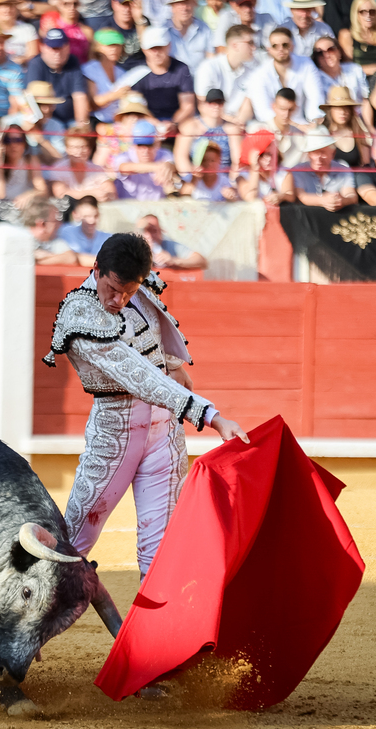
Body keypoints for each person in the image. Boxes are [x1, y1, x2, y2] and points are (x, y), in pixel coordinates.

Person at [43, 233, 246, 581]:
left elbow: (149, 328)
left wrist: (173, 362)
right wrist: (210, 415)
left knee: (162, 548)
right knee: (71, 545)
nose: (119, 300)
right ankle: (15, 622)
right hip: (115, 435)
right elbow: (140, 377)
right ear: (96, 269)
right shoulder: (80, 314)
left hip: (164, 431)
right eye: (112, 289)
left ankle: (158, 634)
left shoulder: (137, 285)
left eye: (130, 292)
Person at [247, 26, 325, 123]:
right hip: (270, 126)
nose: (280, 49)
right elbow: (263, 112)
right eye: (275, 46)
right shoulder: (259, 75)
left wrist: (314, 123)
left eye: (285, 45)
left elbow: (315, 98)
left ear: (292, 46)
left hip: (301, 125)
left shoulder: (306, 64)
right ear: (269, 49)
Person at [132, 27, 197, 132]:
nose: (156, 52)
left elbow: (188, 105)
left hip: (178, 124)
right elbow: (134, 107)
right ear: (144, 50)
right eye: (152, 48)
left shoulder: (181, 69)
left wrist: (173, 123)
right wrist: (155, 124)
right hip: (146, 123)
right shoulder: (136, 71)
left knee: (189, 128)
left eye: (160, 47)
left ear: (168, 46)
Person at [282, 125, 358, 209]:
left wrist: (342, 200)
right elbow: (302, 196)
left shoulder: (343, 169)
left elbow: (351, 196)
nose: (318, 158)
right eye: (314, 152)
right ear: (308, 155)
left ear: (332, 153)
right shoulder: (298, 170)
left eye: (322, 152)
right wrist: (324, 200)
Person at [0, 124, 47, 221]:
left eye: (18, 140)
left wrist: (28, 195)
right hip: (1, 212)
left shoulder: (30, 160)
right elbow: (0, 195)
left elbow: (43, 190)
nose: (13, 145)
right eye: (8, 141)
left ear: (24, 143)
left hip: (24, 209)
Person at [27, 28, 92, 126]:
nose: (57, 52)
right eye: (53, 48)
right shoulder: (36, 64)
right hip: (45, 122)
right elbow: (32, 100)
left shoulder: (73, 62)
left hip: (70, 122)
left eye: (60, 47)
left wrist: (81, 125)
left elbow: (79, 96)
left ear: (68, 47)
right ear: (43, 48)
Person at [195, 24, 258, 123]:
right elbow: (203, 105)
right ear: (234, 45)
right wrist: (233, 122)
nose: (254, 47)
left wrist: (239, 122)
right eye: (250, 43)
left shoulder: (251, 73)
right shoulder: (208, 67)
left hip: (239, 124)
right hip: (213, 123)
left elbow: (247, 107)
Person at [175, 88, 241, 177]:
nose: (216, 106)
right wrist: (190, 178)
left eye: (220, 103)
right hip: (197, 178)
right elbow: (181, 157)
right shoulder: (190, 127)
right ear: (204, 105)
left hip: (224, 178)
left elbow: (237, 161)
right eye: (212, 103)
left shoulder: (232, 129)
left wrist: (232, 181)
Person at [312, 36, 372, 127]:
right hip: (329, 125)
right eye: (320, 53)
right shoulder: (314, 77)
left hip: (358, 122)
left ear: (339, 52)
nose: (326, 55)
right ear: (316, 57)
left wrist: (369, 128)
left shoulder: (355, 69)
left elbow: (365, 101)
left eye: (331, 50)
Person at [46, 126, 117, 201]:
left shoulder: (97, 169)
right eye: (73, 147)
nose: (79, 151)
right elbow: (60, 194)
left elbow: (111, 193)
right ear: (66, 149)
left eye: (83, 147)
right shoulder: (58, 169)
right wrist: (91, 194)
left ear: (89, 149)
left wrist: (105, 195)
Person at [112, 121, 180, 198]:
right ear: (134, 145)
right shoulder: (125, 155)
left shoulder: (164, 153)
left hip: (157, 207)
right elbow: (124, 168)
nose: (145, 150)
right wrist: (159, 167)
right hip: (128, 207)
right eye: (140, 145)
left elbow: (175, 166)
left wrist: (169, 167)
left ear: (157, 143)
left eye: (149, 145)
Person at [85, 28, 132, 123]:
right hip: (96, 122)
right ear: (98, 46)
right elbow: (91, 105)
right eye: (109, 45)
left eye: (117, 45)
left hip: (118, 123)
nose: (114, 49)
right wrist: (115, 95)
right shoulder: (89, 69)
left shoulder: (122, 72)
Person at [21, 193, 79, 264]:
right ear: (41, 224)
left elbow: (71, 258)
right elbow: (19, 259)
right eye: (55, 221)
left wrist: (42, 258)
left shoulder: (54, 240)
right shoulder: (19, 239)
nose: (60, 224)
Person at [320, 85, 369, 166]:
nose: (342, 112)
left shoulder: (359, 132)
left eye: (346, 107)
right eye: (338, 108)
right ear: (330, 110)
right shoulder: (322, 134)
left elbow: (365, 163)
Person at [237, 129, 292, 199]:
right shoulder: (243, 176)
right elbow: (250, 198)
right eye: (262, 155)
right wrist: (254, 168)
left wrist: (280, 197)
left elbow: (290, 196)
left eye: (270, 154)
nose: (268, 159)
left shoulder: (284, 172)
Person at [166, 0, 215, 72]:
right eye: (180, 4)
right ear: (172, 7)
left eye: (187, 3)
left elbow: (211, 57)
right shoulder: (163, 30)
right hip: (173, 79)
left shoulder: (205, 29)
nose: (184, 8)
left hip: (199, 78)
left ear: (194, 5)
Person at [339, 0, 376, 74]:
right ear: (356, 14)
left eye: (372, 11)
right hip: (359, 81)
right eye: (363, 12)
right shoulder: (347, 35)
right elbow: (347, 68)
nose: (368, 15)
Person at [215, 0, 281, 51]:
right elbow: (221, 48)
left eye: (250, 5)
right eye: (242, 6)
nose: (247, 10)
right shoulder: (226, 17)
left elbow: (276, 47)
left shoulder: (267, 19)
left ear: (255, 4)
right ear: (235, 7)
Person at [0, 0, 40, 66]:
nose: (8, 9)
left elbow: (33, 54)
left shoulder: (27, 29)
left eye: (11, 5)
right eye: (3, 6)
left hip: (21, 70)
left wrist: (23, 60)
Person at [110, 0, 150, 66]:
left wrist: (139, 20)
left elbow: (148, 47)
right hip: (121, 70)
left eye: (130, 5)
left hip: (143, 67)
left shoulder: (143, 22)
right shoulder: (107, 28)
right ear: (114, 4)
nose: (127, 9)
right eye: (123, 5)